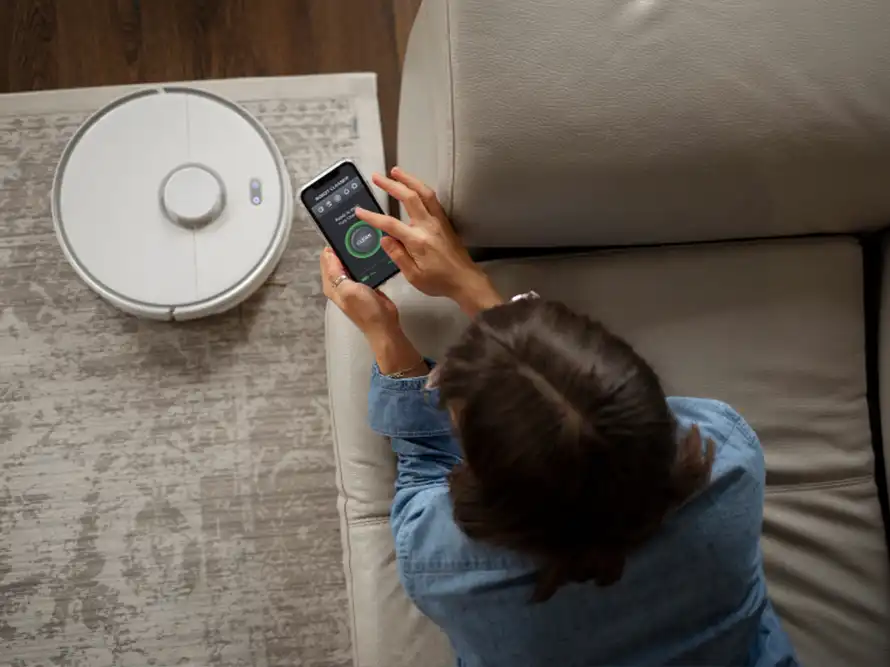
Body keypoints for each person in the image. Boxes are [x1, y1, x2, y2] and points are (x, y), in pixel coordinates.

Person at [320, 167, 799, 667]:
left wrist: (386, 340)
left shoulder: (442, 561)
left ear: (487, 477)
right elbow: (589, 419)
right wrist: (472, 286)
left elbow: (423, 477)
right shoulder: (728, 458)